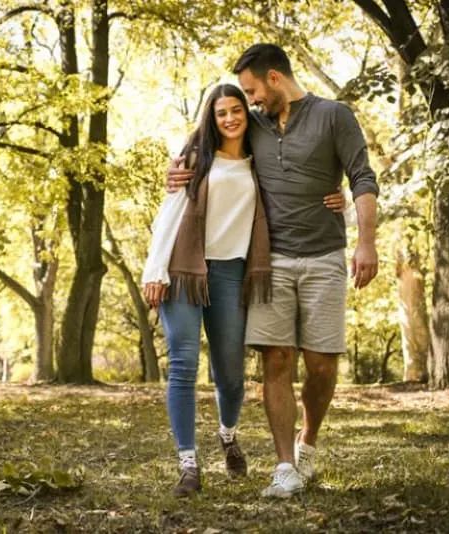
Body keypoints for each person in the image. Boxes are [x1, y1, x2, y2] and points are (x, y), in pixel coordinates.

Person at [168, 43, 379, 499]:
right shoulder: (254, 125)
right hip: (269, 263)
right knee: (276, 360)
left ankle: (308, 441)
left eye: (253, 90)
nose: (250, 101)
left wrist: (366, 241)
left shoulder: (334, 116)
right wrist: (176, 168)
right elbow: (209, 141)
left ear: (275, 79)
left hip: (324, 256)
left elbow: (362, 176)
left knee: (321, 366)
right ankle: (284, 466)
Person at [143, 83, 346, 498]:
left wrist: (336, 195)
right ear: (211, 119)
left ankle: (228, 434)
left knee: (230, 375)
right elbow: (169, 216)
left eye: (237, 110)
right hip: (183, 272)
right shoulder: (194, 162)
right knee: (182, 364)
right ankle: (188, 464)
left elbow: (294, 192)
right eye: (221, 113)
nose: (231, 118)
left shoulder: (259, 165)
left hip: (232, 275)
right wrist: (154, 271)